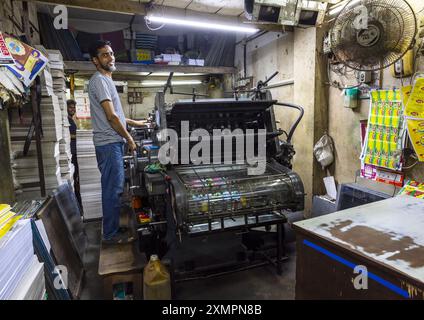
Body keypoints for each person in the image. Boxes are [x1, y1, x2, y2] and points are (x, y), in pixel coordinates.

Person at [88, 40, 147, 244]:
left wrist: (136, 123)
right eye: (105, 55)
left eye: (112, 53)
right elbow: (111, 117)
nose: (111, 57)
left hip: (111, 142)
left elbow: (117, 116)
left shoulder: (106, 80)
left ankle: (111, 230)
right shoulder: (100, 81)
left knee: (114, 188)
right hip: (109, 143)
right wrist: (130, 139)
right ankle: (110, 235)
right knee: (112, 189)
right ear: (96, 61)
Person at [67, 99, 83, 210]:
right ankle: (76, 199)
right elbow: (68, 135)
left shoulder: (71, 120)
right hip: (72, 153)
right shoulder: (67, 120)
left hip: (74, 152)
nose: (73, 109)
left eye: (74, 107)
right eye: (70, 107)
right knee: (75, 177)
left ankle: (77, 197)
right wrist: (79, 136)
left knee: (76, 176)